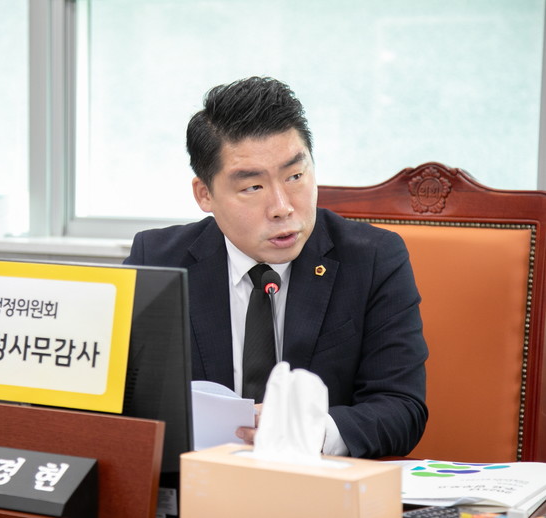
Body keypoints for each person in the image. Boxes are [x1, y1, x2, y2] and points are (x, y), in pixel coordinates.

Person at [124, 76, 428, 459]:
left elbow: (402, 408)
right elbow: (118, 398)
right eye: (253, 187)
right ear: (205, 194)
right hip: (199, 482)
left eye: (295, 176)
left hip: (317, 485)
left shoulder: (373, 259)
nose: (282, 207)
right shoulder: (158, 260)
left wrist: (309, 432)